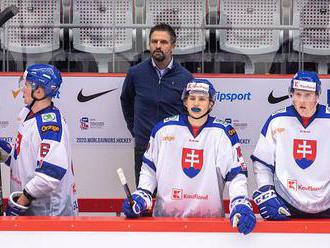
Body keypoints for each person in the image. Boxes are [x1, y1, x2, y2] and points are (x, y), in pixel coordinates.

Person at [122, 79, 256, 235]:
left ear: (211, 103)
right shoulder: (163, 129)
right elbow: (149, 168)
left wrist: (240, 201)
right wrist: (143, 193)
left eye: (202, 99)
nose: (196, 103)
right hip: (165, 223)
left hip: (210, 225)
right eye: (192, 98)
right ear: (185, 102)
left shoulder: (223, 133)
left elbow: (236, 175)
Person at [120, 23, 194, 187]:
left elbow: (191, 113)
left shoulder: (186, 77)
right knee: (145, 198)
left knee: (172, 198)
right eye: (154, 41)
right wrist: (136, 130)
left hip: (174, 147)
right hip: (144, 146)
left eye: (163, 42)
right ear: (149, 44)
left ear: (173, 46)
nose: (158, 46)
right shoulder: (135, 73)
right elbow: (126, 101)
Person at [0, 64, 78, 216]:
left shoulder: (50, 126)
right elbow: (26, 158)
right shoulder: (29, 114)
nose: (22, 89)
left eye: (27, 85)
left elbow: (51, 174)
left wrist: (20, 203)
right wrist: (5, 152)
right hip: (34, 213)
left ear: (40, 91)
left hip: (49, 216)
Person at [252, 71, 330, 219]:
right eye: (298, 94)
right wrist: (266, 190)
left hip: (327, 205)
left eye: (308, 95)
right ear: (291, 94)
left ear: (317, 96)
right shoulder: (277, 120)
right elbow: (262, 162)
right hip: (286, 204)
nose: (302, 100)